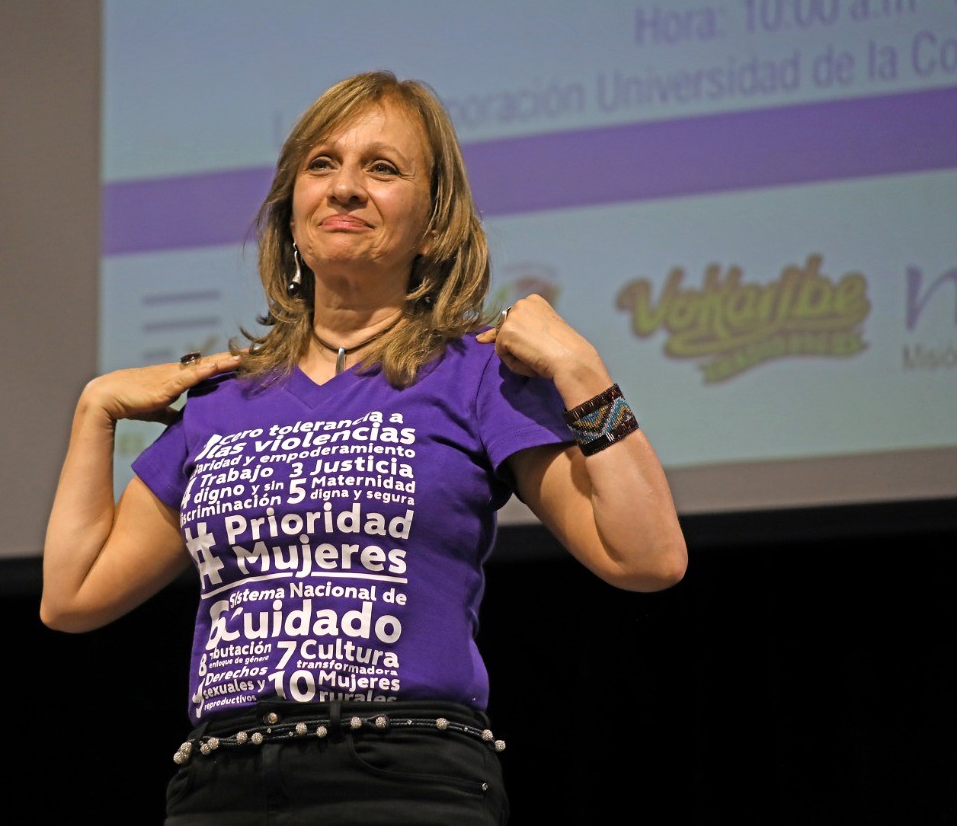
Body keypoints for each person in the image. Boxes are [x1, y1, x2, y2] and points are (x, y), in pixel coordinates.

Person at [41, 70, 687, 825]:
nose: (345, 188)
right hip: (223, 788)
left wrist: (582, 368)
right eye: (322, 164)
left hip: (404, 778)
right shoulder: (223, 400)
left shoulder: (477, 376)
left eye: (382, 168)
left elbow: (648, 557)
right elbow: (72, 596)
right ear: (291, 210)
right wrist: (94, 411)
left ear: (435, 223)